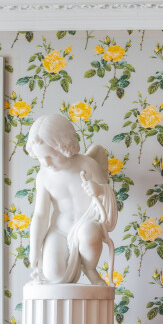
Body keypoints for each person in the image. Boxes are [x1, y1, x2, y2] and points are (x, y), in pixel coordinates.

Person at [26, 114, 117, 285]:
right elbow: (40, 215)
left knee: (89, 233)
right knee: (53, 274)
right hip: (60, 229)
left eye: (50, 156)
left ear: (65, 146)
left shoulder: (87, 165)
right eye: (40, 158)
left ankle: (90, 270)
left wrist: (97, 189)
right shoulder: (43, 177)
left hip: (86, 223)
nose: (45, 163)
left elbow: (106, 194)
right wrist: (34, 248)